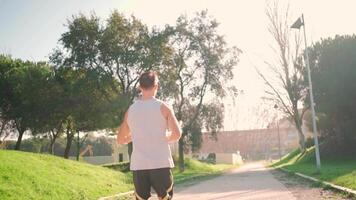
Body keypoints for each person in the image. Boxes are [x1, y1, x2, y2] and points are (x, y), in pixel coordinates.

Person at [117, 71, 181, 200]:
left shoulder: (131, 110)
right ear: (156, 86)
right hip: (161, 163)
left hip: (139, 166)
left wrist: (135, 136)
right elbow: (176, 134)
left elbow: (120, 139)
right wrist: (163, 137)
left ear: (140, 87)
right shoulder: (164, 108)